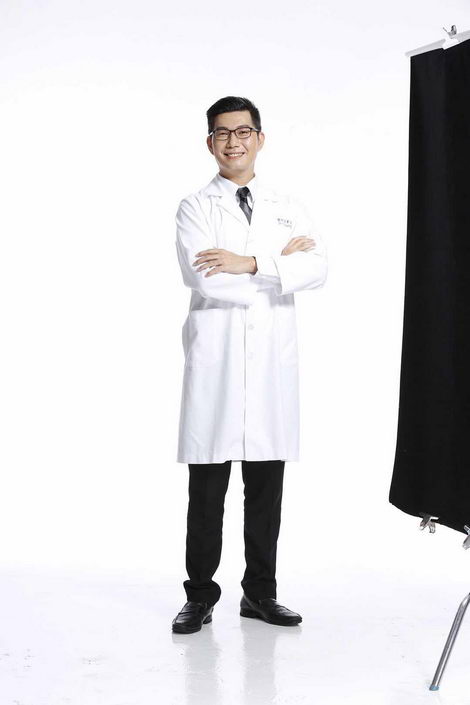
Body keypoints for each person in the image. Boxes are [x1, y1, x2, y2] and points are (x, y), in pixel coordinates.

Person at [172, 96, 328, 634]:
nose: (233, 142)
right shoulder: (195, 207)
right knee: (206, 490)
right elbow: (205, 279)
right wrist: (279, 268)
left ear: (260, 138)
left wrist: (250, 262)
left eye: (243, 131)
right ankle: (199, 595)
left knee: (266, 488)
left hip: (269, 368)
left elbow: (317, 268)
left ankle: (260, 594)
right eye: (222, 133)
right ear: (210, 143)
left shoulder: (288, 205)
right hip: (216, 362)